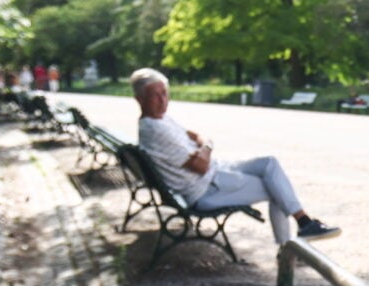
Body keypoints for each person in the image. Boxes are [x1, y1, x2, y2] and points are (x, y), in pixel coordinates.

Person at [130, 68, 340, 243]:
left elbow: (195, 136)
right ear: (140, 99)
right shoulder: (155, 129)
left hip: (216, 172)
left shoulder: (160, 120)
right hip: (206, 190)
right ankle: (292, 243)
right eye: (154, 95)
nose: (162, 100)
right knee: (276, 187)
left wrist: (204, 146)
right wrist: (208, 145)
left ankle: (304, 225)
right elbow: (201, 164)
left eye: (164, 93)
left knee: (269, 164)